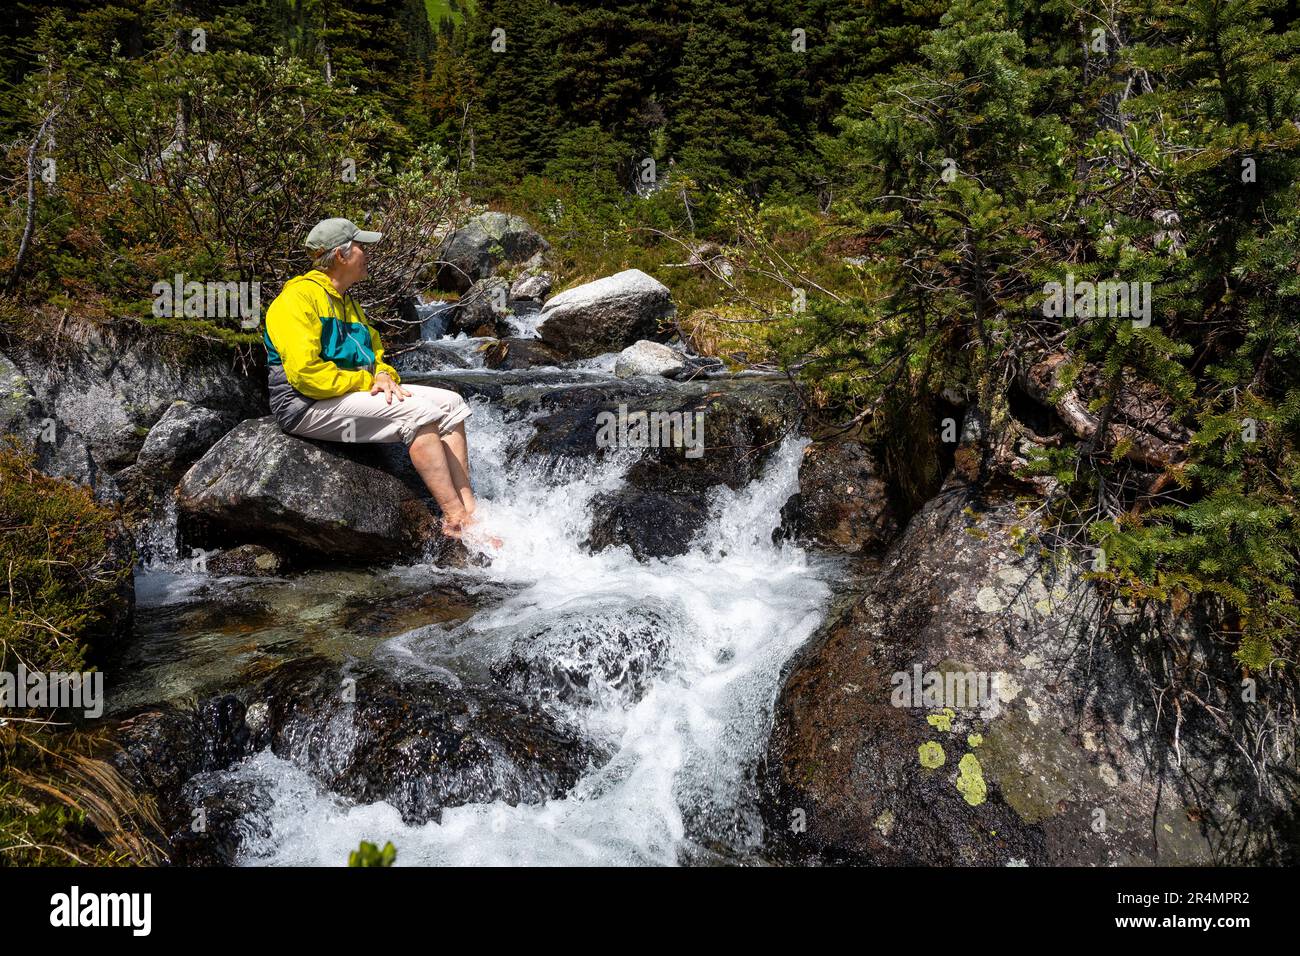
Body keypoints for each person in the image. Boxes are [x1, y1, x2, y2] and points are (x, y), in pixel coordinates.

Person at [263, 217, 479, 538]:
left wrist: (381, 373)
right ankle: (455, 519)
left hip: (341, 394)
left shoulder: (347, 301)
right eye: (362, 246)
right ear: (342, 255)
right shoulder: (295, 301)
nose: (368, 253)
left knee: (451, 404)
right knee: (419, 415)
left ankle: (472, 509)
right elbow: (306, 375)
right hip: (304, 404)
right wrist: (367, 381)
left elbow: (376, 354)